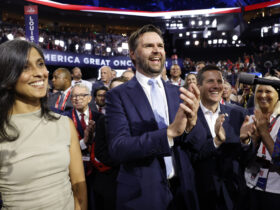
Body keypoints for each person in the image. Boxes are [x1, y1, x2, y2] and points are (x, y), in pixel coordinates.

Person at [106, 24, 202, 210]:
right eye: (149, 46)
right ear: (133, 54)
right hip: (142, 196)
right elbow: (118, 148)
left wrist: (192, 124)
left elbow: (197, 146)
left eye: (160, 45)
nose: (157, 50)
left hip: (183, 192)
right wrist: (169, 133)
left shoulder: (178, 93)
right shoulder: (118, 96)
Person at [0, 39, 87, 209]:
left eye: (40, 64)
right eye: (25, 67)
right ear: (7, 77)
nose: (40, 73)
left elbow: (78, 185)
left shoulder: (64, 124)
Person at [188, 65, 253, 210]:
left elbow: (247, 159)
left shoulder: (239, 114)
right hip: (201, 195)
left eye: (219, 81)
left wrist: (245, 141)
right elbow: (190, 157)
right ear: (199, 86)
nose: (216, 86)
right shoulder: (188, 116)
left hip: (234, 194)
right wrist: (216, 141)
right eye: (210, 81)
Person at [244, 76, 280, 210]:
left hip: (275, 192)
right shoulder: (248, 117)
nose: (263, 95)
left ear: (278, 96)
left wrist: (264, 133)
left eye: (268, 91)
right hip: (250, 186)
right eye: (259, 91)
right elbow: (241, 158)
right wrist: (249, 141)